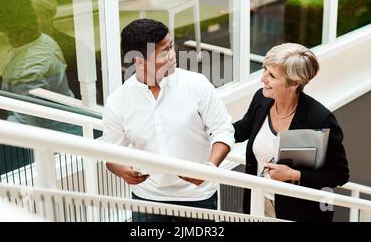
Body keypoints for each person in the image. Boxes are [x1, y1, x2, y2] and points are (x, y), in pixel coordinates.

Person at [103, 18, 235, 221]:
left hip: (198, 197)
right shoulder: (118, 101)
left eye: (171, 46)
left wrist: (208, 170)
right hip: (147, 200)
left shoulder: (197, 85)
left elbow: (224, 130)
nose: (173, 55)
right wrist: (120, 170)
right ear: (138, 60)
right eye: (163, 51)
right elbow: (110, 154)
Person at [233, 43, 349, 222]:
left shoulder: (320, 119)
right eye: (264, 69)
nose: (262, 78)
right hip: (257, 202)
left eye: (271, 75)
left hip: (299, 213)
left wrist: (294, 175)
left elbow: (339, 174)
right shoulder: (261, 99)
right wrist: (208, 130)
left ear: (294, 83)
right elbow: (242, 129)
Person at [0, 0, 81, 135]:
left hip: (58, 142)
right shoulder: (44, 40)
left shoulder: (29, 71)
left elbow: (26, 126)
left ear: (1, 25)